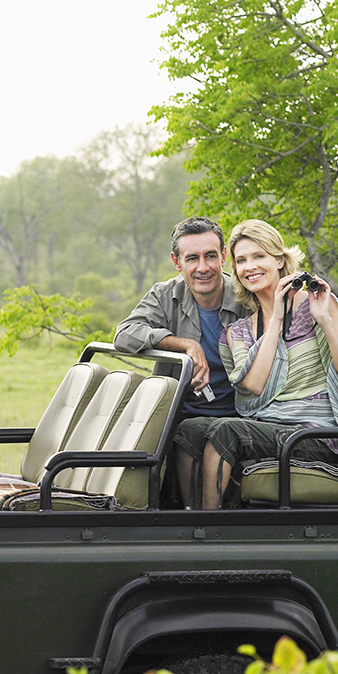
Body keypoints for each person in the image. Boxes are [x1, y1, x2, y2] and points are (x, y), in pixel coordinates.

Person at [172, 220, 338, 510]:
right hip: (268, 428)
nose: (250, 266)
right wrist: (275, 319)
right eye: (241, 260)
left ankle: (206, 526)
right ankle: (189, 515)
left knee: (227, 431)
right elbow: (254, 388)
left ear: (279, 260)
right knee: (189, 428)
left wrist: (324, 320)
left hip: (316, 435)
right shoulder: (238, 332)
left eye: (259, 256)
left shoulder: (320, 306)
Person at [114, 216, 249, 507]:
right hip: (180, 413)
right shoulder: (165, 294)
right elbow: (125, 333)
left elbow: (305, 307)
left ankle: (202, 526)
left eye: (211, 256)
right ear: (177, 262)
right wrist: (184, 344)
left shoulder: (246, 294)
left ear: (224, 256)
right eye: (192, 258)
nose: (203, 267)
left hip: (242, 414)